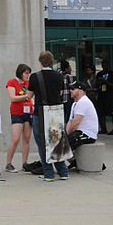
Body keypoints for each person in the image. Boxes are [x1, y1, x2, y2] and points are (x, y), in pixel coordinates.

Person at [26, 50, 68, 182]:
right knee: (57, 141)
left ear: (40, 62)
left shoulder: (34, 77)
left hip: (41, 112)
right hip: (56, 112)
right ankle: (63, 172)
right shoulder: (59, 76)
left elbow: (29, 95)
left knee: (42, 143)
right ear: (52, 61)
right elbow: (60, 92)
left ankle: (49, 174)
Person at [4, 63, 34, 172]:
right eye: (26, 73)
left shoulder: (29, 83)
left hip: (28, 112)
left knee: (27, 139)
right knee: (15, 139)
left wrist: (32, 101)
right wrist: (26, 96)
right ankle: (8, 163)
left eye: (29, 73)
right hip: (17, 113)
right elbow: (12, 98)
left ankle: (24, 163)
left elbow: (31, 98)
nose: (28, 75)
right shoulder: (12, 82)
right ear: (20, 73)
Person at [66, 81, 99, 169]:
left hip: (88, 134)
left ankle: (46, 165)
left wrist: (68, 137)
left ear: (81, 91)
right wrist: (66, 135)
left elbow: (75, 123)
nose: (70, 91)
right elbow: (70, 121)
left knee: (66, 144)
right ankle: (74, 161)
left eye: (73, 89)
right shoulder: (75, 104)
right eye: (70, 89)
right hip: (80, 132)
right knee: (62, 139)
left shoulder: (84, 101)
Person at [95, 60, 113, 134]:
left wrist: (105, 81)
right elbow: (96, 85)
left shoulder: (111, 74)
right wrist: (99, 82)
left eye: (105, 65)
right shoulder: (99, 74)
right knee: (101, 112)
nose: (103, 66)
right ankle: (103, 128)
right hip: (101, 94)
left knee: (111, 112)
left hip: (110, 95)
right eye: (102, 65)